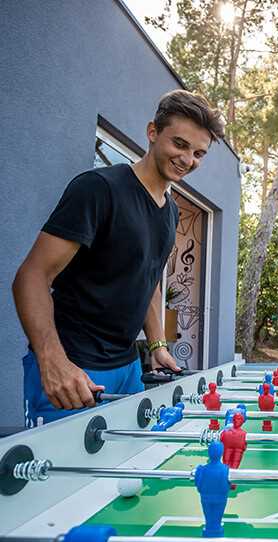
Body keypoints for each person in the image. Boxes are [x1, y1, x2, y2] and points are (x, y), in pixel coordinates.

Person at [13, 90, 224, 426]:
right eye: (180, 144)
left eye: (198, 153)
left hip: (127, 370)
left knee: (126, 476)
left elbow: (151, 279)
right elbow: (32, 277)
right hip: (74, 370)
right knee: (62, 479)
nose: (188, 159)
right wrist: (52, 362)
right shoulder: (99, 188)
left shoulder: (170, 211)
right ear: (152, 132)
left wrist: (157, 344)